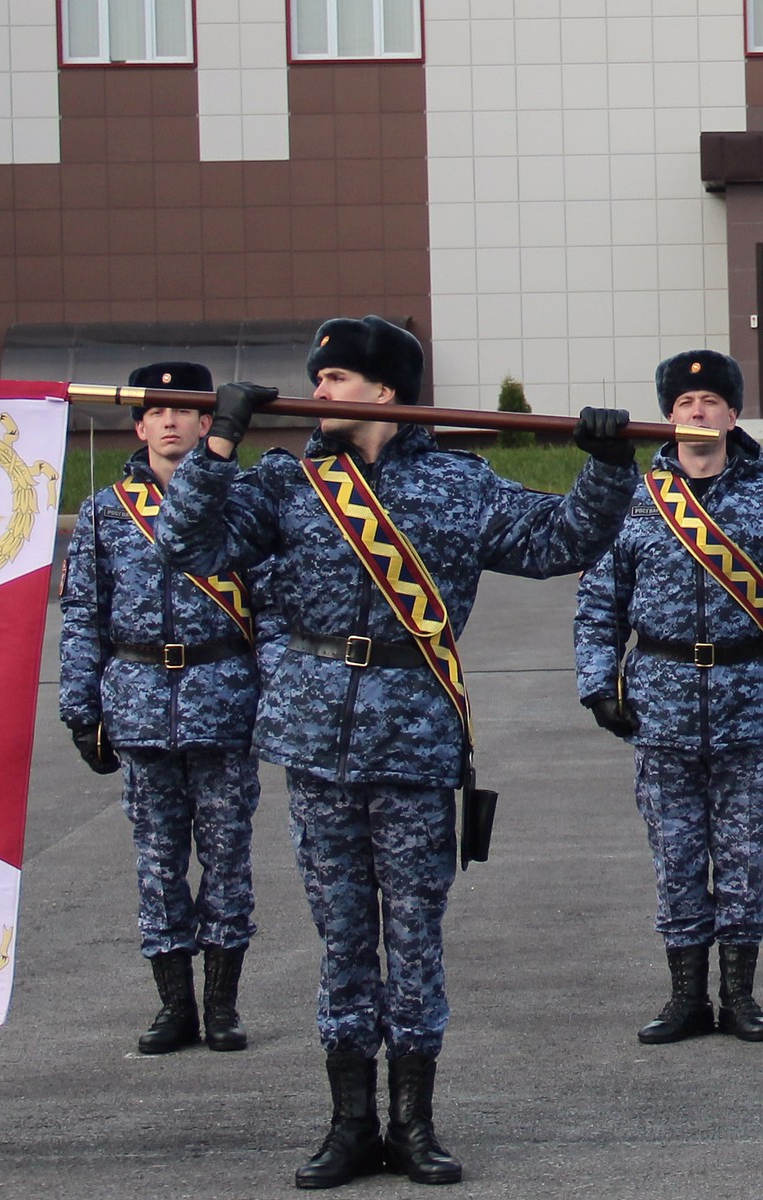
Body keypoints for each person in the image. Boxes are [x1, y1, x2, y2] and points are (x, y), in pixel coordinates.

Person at [152, 317, 638, 1189]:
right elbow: (185, 545)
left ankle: (415, 1124)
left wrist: (605, 468)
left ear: (384, 391)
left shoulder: (459, 481)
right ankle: (348, 1124)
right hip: (317, 741)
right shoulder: (289, 483)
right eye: (319, 379)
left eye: (335, 378)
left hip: (416, 737)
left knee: (414, 938)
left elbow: (561, 541)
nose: (321, 391)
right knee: (341, 940)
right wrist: (219, 441)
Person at [58, 361, 262, 1055]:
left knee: (228, 858)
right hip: (140, 706)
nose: (171, 421)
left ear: (209, 421)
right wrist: (81, 707)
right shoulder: (104, 512)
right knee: (157, 862)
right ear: (139, 425)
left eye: (186, 408)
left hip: (224, 702)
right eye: (157, 410)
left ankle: (223, 1006)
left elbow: (268, 614)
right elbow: (83, 615)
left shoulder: (243, 500)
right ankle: (174, 1004)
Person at [575, 348, 763, 1047]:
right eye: (685, 403)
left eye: (711, 399)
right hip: (662, 703)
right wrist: (598, 682)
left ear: (732, 412)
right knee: (677, 856)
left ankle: (741, 997)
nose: (697, 409)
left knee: (747, 859)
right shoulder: (633, 499)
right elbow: (598, 602)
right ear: (668, 417)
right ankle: (686, 996)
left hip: (751, 701)